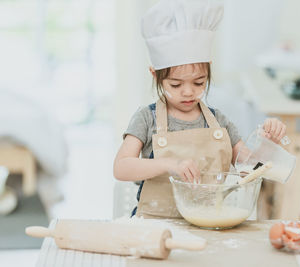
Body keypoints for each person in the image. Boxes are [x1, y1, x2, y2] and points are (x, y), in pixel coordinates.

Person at [113, 0, 287, 219]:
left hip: (207, 222)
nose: (188, 92)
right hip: (153, 224)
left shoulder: (218, 122)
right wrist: (169, 164)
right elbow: (121, 168)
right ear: (155, 75)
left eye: (198, 82)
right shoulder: (147, 119)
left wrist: (269, 143)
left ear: (208, 72)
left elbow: (250, 170)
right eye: (175, 85)